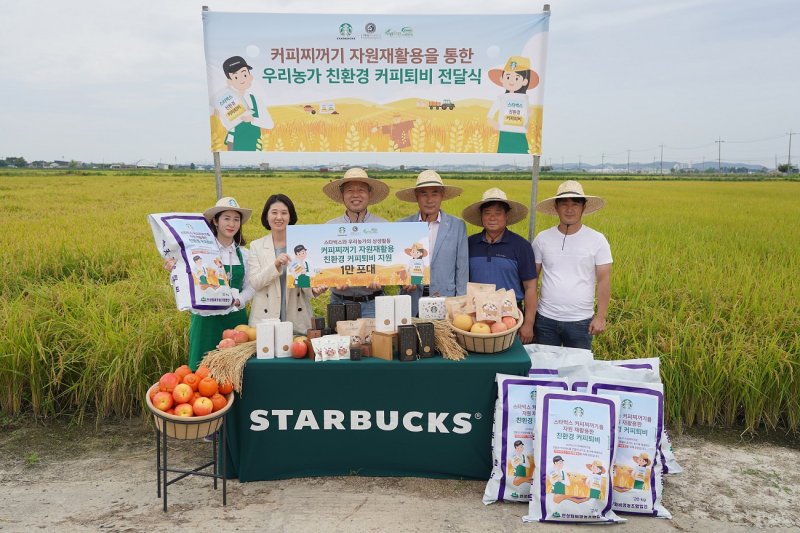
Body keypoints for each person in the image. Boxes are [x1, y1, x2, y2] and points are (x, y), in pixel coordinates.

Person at [164, 197, 255, 370]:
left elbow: (251, 286)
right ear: (215, 221)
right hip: (206, 319)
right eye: (226, 218)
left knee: (235, 370)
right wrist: (174, 269)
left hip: (235, 319)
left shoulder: (245, 254)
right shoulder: (200, 250)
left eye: (236, 219)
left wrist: (239, 300)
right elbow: (186, 278)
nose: (232, 224)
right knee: (202, 370)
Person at [532, 180, 612, 350]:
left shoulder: (597, 240)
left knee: (578, 371)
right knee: (546, 370)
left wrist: (601, 317)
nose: (569, 209)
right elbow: (532, 281)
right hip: (546, 320)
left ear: (583, 207)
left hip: (581, 321)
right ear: (556, 207)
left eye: (575, 204)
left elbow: (604, 280)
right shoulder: (542, 238)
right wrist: (529, 318)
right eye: (564, 204)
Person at [462, 188, 537, 343]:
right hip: (475, 317)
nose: (492, 218)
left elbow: (530, 287)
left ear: (506, 216)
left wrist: (528, 324)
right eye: (487, 213)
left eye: (498, 213)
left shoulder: (521, 246)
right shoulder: (469, 244)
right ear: (481, 217)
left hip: (510, 315)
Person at [248, 194, 326, 334]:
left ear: (290, 217)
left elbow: (304, 279)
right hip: (265, 318)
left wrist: (314, 290)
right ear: (266, 216)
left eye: (284, 213)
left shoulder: (301, 244)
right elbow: (255, 283)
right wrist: (276, 265)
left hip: (296, 315)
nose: (279, 217)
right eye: (274, 212)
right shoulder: (256, 246)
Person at [396, 169, 468, 316]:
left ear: (442, 195)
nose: (429, 200)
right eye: (424, 194)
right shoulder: (402, 225)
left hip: (445, 301)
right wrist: (403, 281)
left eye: (434, 193)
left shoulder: (457, 226)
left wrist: (460, 305)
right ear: (417, 196)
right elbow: (397, 266)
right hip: (412, 301)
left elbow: (462, 269)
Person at [323, 167, 389, 318]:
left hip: (374, 303)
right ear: (342, 195)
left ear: (369, 194)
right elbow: (323, 267)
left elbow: (392, 263)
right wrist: (333, 279)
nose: (355, 195)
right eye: (350, 190)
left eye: (361, 190)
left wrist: (382, 278)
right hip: (339, 303)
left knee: (376, 341)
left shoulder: (384, 227)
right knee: (339, 342)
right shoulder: (329, 228)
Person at [217, 55, 274, 151]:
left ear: (250, 77)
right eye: (235, 77)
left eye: (244, 75)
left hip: (255, 143)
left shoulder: (255, 100)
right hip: (234, 143)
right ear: (229, 81)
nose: (241, 79)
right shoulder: (227, 101)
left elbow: (270, 124)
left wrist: (252, 120)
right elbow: (226, 124)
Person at [486, 56, 540, 154]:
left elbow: (527, 116)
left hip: (520, 134)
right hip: (505, 134)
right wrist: (496, 125)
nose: (511, 81)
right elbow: (489, 116)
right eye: (508, 77)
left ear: (525, 81)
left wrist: (529, 114)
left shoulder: (525, 99)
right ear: (502, 78)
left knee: (523, 151)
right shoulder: (501, 98)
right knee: (503, 151)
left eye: (516, 78)